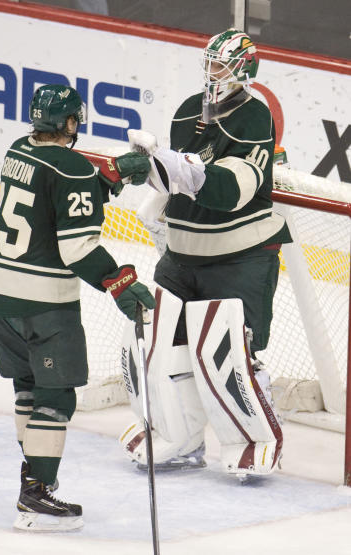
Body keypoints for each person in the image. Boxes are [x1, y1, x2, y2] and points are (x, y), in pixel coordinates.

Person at [0, 84, 155, 531]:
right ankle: (36, 494)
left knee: (28, 386)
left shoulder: (17, 150)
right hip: (43, 303)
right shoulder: (74, 166)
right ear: (71, 123)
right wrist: (118, 282)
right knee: (55, 395)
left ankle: (31, 475)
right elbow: (77, 246)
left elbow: (53, 197)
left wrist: (108, 179)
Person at [120, 29, 292, 480]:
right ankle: (174, 436)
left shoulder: (255, 117)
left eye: (221, 66)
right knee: (152, 342)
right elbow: (179, 180)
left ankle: (257, 441)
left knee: (230, 353)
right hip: (182, 256)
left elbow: (229, 189)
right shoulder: (185, 112)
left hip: (240, 256)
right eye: (209, 64)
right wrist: (152, 168)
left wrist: (173, 166)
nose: (211, 74)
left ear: (244, 69)